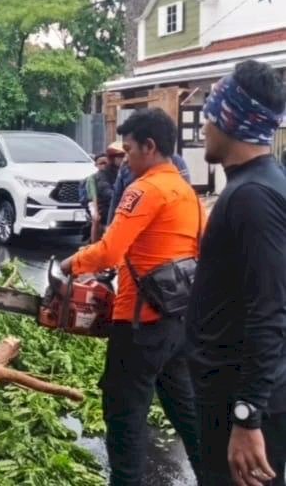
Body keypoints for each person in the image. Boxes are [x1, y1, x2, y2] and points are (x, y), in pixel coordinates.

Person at [60, 108, 203, 485]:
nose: (125, 158)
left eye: (129, 149)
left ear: (150, 147)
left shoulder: (144, 189)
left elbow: (108, 251)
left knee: (124, 416)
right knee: (186, 412)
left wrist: (69, 264)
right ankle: (217, 476)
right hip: (177, 321)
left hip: (139, 324)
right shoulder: (186, 192)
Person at [187, 60, 286, 486]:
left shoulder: (253, 198)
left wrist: (247, 416)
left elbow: (269, 310)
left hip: (240, 405)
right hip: (233, 396)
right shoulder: (258, 184)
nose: (204, 125)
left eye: (211, 113)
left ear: (232, 118)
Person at [107, 152, 190, 225]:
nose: (127, 156)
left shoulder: (176, 161)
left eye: (129, 148)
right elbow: (116, 198)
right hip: (134, 224)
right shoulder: (127, 164)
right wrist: (110, 226)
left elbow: (185, 194)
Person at [89, 143, 124, 242]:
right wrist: (120, 198)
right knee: (97, 220)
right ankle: (94, 247)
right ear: (113, 158)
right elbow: (106, 191)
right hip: (107, 207)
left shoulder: (126, 171)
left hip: (123, 205)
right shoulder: (103, 174)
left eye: (124, 156)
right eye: (120, 156)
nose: (123, 159)